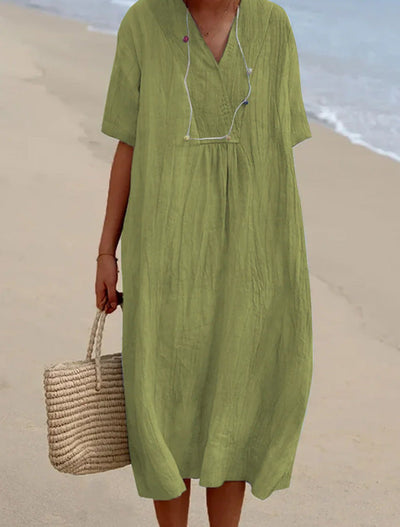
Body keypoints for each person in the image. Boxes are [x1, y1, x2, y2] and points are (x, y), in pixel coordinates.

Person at [96, 0, 313, 526]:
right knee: (164, 390)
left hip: (252, 254)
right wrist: (106, 251)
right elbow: (129, 144)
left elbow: (275, 153)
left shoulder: (272, 27)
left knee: (238, 390)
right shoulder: (143, 23)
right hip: (164, 252)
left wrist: (278, 260)